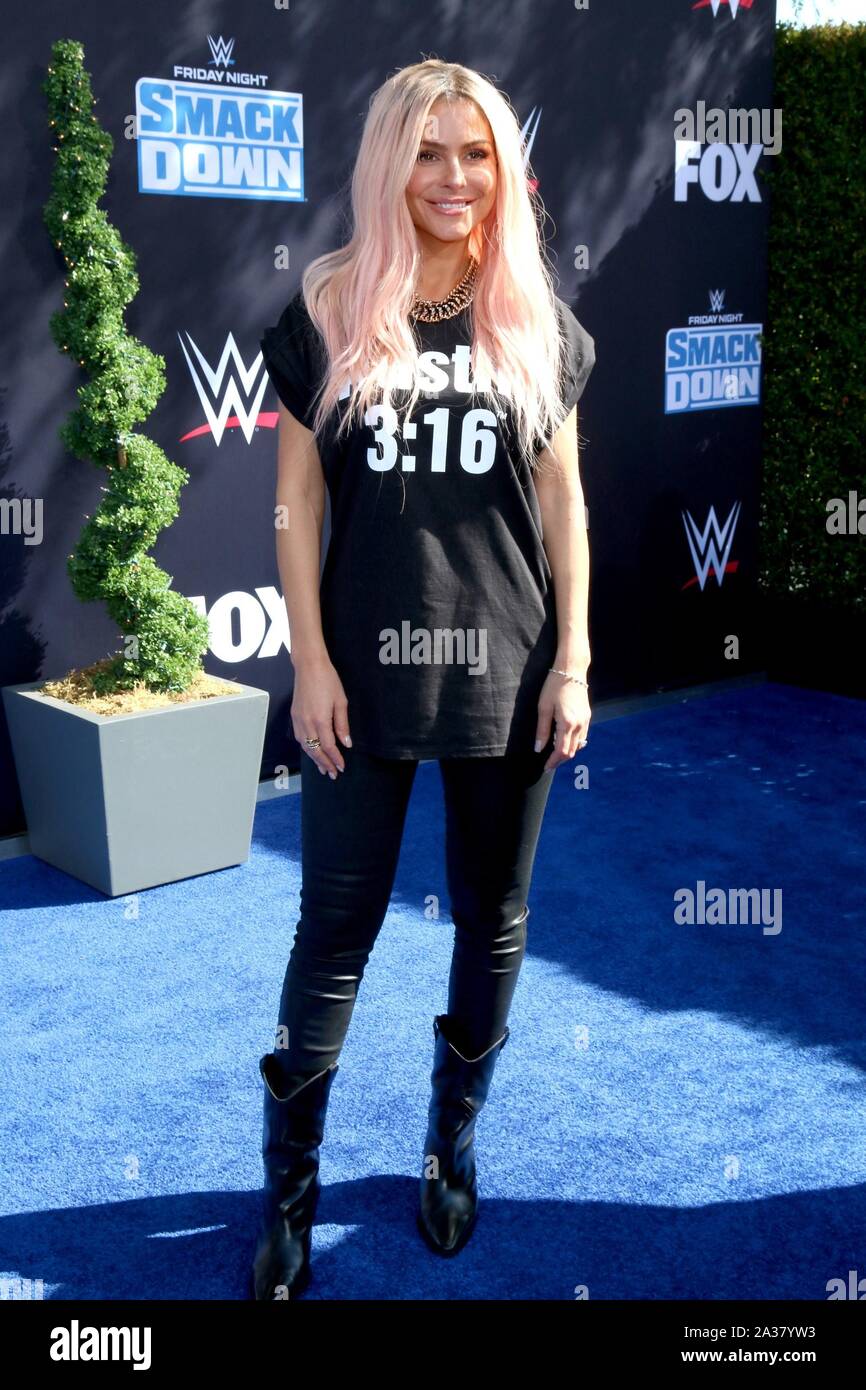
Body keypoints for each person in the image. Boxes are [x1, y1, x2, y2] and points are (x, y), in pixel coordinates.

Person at [252, 57, 596, 1300]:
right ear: (388, 161)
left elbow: (561, 503)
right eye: (429, 152)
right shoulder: (335, 305)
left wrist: (573, 662)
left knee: (489, 920)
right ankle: (287, 1200)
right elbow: (292, 503)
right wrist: (312, 662)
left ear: (502, 168)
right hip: (362, 679)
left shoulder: (532, 317)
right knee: (331, 928)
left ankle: (450, 1151)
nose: (453, 178)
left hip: (506, 671)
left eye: (475, 153)